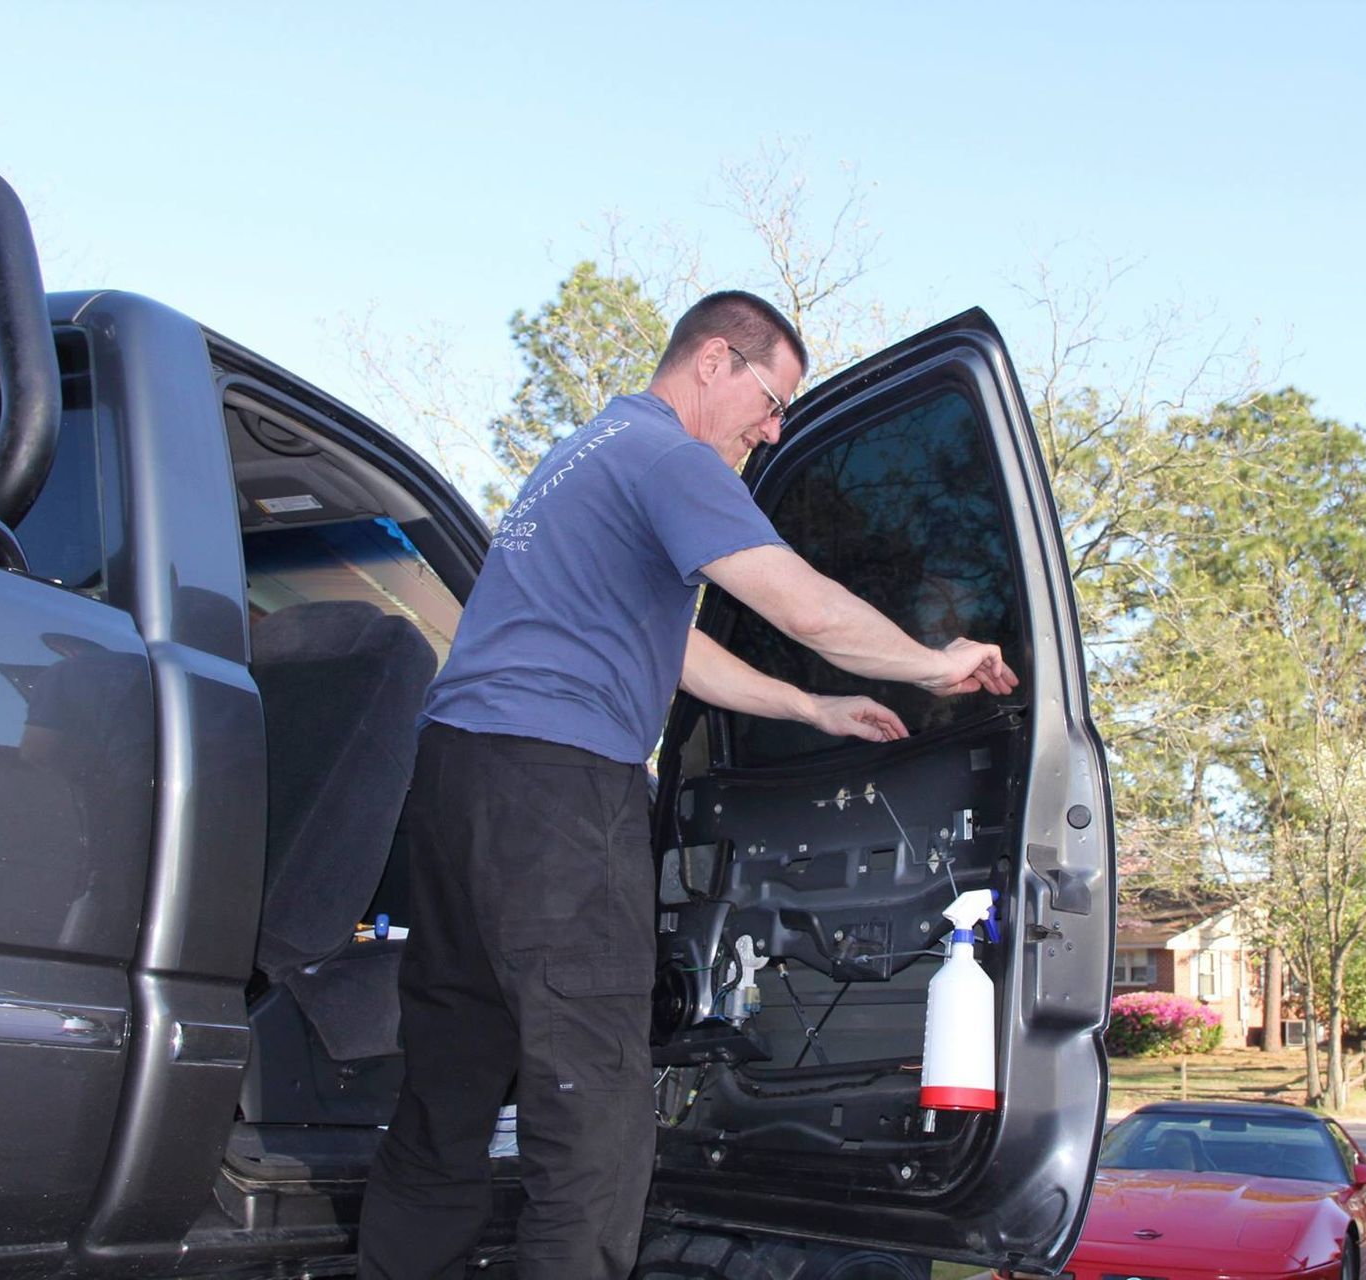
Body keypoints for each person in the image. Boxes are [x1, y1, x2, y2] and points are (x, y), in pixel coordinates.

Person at [358, 291, 1018, 1280]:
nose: (774, 426)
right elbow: (802, 602)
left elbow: (676, 648)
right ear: (714, 359)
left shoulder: (593, 450)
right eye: (771, 397)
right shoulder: (672, 458)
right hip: (555, 787)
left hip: (460, 783)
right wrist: (932, 662)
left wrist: (810, 708)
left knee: (448, 1093)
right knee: (593, 1103)